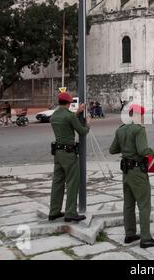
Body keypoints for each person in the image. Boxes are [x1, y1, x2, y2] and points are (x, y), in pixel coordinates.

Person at [109, 104, 154, 248]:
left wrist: (126, 147)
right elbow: (143, 150)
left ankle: (130, 234)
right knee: (144, 205)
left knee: (128, 204)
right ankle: (146, 238)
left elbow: (112, 150)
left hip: (126, 172)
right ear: (140, 114)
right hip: (138, 172)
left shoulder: (121, 130)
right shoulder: (139, 129)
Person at [48, 92, 91, 223]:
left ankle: (54, 212)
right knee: (72, 182)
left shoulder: (54, 116)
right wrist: (88, 123)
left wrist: (78, 112)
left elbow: (67, 119)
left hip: (58, 153)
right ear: (69, 103)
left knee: (57, 183)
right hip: (69, 154)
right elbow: (82, 131)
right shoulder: (69, 116)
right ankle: (70, 212)